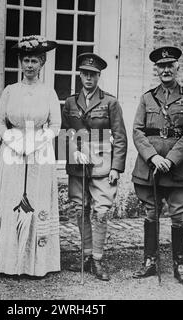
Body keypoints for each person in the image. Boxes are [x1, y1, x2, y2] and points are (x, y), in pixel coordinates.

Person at [0, 35, 61, 277]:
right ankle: (6, 261)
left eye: (34, 61)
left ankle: (36, 263)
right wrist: (13, 140)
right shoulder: (10, 91)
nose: (29, 66)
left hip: (39, 152)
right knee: (11, 198)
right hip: (13, 151)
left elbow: (55, 124)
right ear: (20, 63)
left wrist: (37, 141)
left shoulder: (49, 92)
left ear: (42, 64)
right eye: (26, 60)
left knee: (36, 200)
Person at [131, 46, 183, 286]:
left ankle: (180, 264)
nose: (166, 70)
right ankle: (150, 261)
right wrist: (152, 157)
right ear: (156, 70)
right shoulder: (147, 98)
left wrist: (170, 159)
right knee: (151, 213)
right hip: (151, 168)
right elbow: (137, 131)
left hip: (179, 169)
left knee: (179, 217)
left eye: (170, 65)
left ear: (177, 67)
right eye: (162, 66)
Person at [61, 53, 127, 281]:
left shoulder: (110, 102)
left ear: (99, 76)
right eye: (85, 73)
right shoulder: (70, 102)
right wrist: (73, 151)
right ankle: (85, 256)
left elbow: (119, 137)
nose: (88, 78)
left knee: (101, 212)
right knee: (80, 210)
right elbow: (65, 132)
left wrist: (116, 168)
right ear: (80, 74)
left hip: (102, 165)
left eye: (93, 74)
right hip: (78, 165)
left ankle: (97, 260)